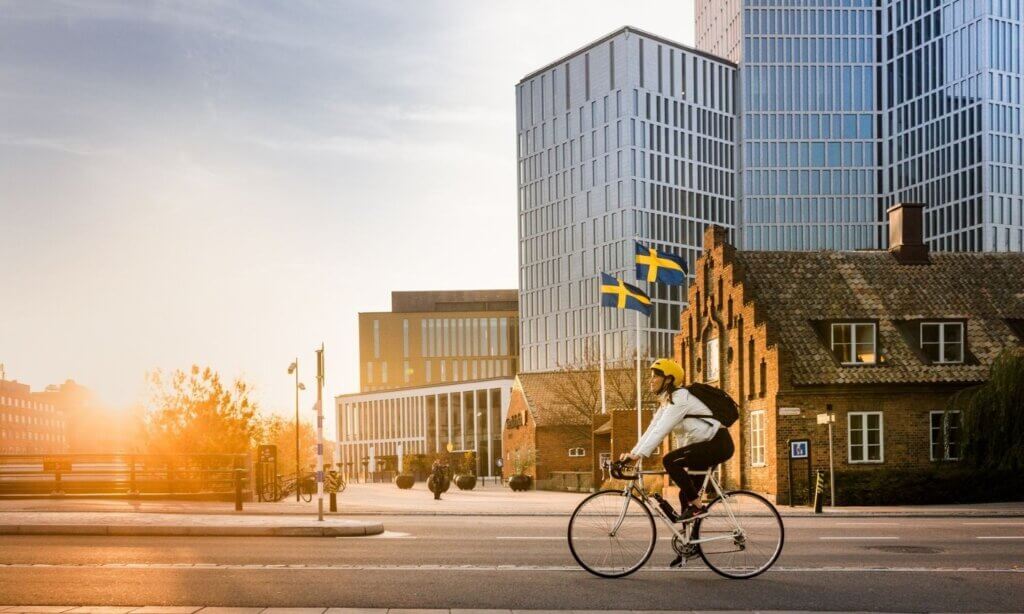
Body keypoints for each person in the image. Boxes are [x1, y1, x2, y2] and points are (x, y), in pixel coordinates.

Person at [619, 358, 734, 524]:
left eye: (655, 376)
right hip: (705, 445)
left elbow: (662, 429)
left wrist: (637, 456)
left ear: (669, 379)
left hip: (717, 444)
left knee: (669, 460)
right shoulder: (668, 401)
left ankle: (698, 507)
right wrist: (635, 453)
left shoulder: (680, 398)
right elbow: (652, 428)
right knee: (685, 494)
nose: (650, 380)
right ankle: (690, 543)